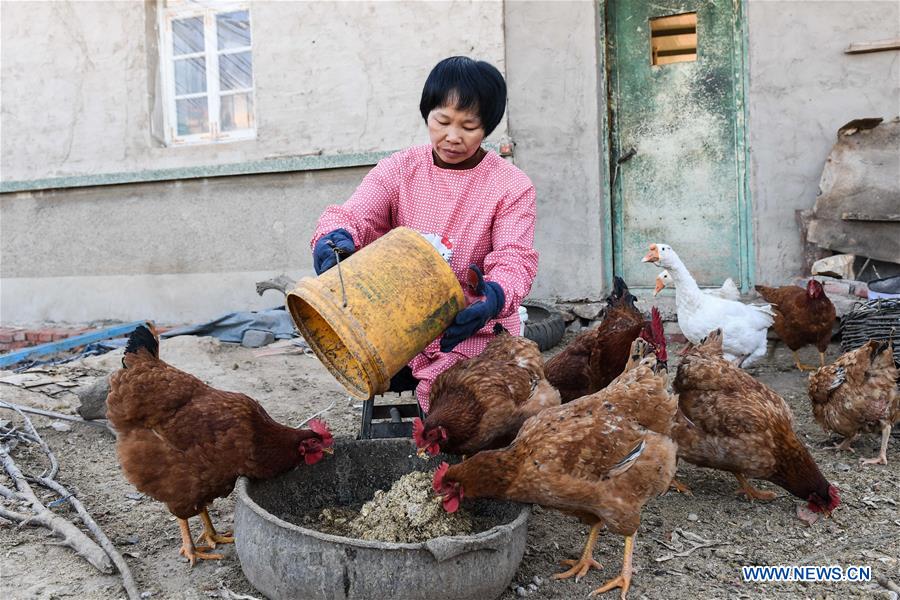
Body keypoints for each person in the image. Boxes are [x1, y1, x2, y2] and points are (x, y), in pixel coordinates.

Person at [310, 56, 538, 413]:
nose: (452, 136)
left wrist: (492, 298)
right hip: (400, 321)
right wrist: (334, 238)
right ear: (426, 114)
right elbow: (355, 214)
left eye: (469, 126)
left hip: (471, 324)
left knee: (464, 406)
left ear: (488, 128)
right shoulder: (400, 169)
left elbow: (514, 258)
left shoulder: (511, 185)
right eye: (442, 121)